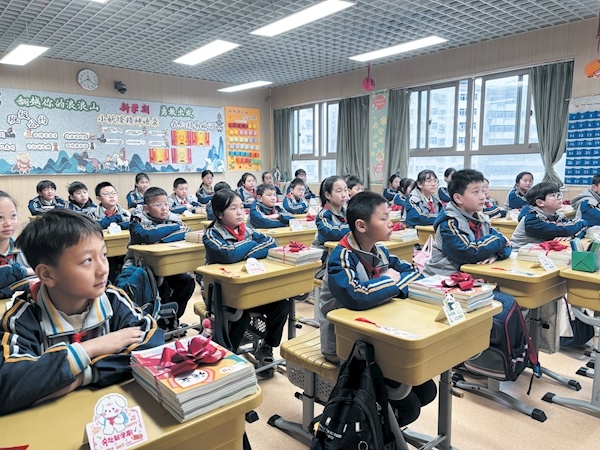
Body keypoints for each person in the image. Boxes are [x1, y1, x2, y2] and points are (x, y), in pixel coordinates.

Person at [0, 209, 163, 415]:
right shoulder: (22, 317)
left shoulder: (113, 299)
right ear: (47, 274)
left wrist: (86, 375)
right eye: (87, 260)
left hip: (109, 414)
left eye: (103, 255)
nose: (103, 269)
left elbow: (152, 344)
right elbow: (9, 383)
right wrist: (89, 349)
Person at [318, 191, 436, 427]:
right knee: (409, 406)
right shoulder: (341, 257)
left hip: (375, 335)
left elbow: (413, 273)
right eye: (383, 218)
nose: (391, 223)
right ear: (361, 226)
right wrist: (390, 281)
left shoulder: (379, 251)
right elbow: (357, 296)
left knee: (426, 389)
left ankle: (378, 424)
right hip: (345, 345)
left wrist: (388, 285)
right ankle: (369, 428)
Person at [203, 189, 288, 378]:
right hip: (221, 294)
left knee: (281, 304)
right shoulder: (210, 234)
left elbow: (271, 242)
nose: (240, 212)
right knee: (240, 315)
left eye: (241, 207)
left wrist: (243, 253)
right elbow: (227, 253)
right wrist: (251, 248)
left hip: (249, 289)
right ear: (219, 214)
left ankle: (266, 347)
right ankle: (229, 357)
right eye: (233, 208)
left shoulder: (246, 230)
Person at [127, 187, 195, 330]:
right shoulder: (137, 219)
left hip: (167, 265)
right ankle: (160, 325)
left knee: (187, 281)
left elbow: (186, 232)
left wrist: (160, 239)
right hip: (140, 266)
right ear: (146, 208)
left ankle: (172, 320)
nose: (164, 208)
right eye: (158, 205)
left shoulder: (173, 217)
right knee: (162, 285)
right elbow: (146, 236)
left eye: (166, 204)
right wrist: (172, 229)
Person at [423, 169, 512, 276]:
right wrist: (500, 240)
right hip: (443, 277)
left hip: (471, 275)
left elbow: (508, 246)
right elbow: (469, 253)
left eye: (483, 191)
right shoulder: (449, 223)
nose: (482, 196)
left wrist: (495, 255)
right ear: (458, 198)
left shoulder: (480, 218)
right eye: (476, 192)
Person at [510, 182, 587, 250]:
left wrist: (571, 236)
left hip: (541, 252)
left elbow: (584, 226)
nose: (560, 198)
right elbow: (563, 230)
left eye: (559, 194)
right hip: (519, 255)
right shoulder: (531, 219)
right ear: (540, 203)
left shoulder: (558, 215)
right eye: (554, 195)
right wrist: (570, 232)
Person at [90, 182, 131, 283]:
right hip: (102, 251)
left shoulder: (126, 213)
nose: (111, 196)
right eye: (106, 194)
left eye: (113, 193)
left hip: (124, 248)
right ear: (98, 198)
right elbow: (92, 230)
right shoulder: (92, 215)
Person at [0, 191, 35, 298]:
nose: (8, 223)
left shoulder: (26, 248)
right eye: (0, 218)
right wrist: (23, 272)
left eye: (13, 216)